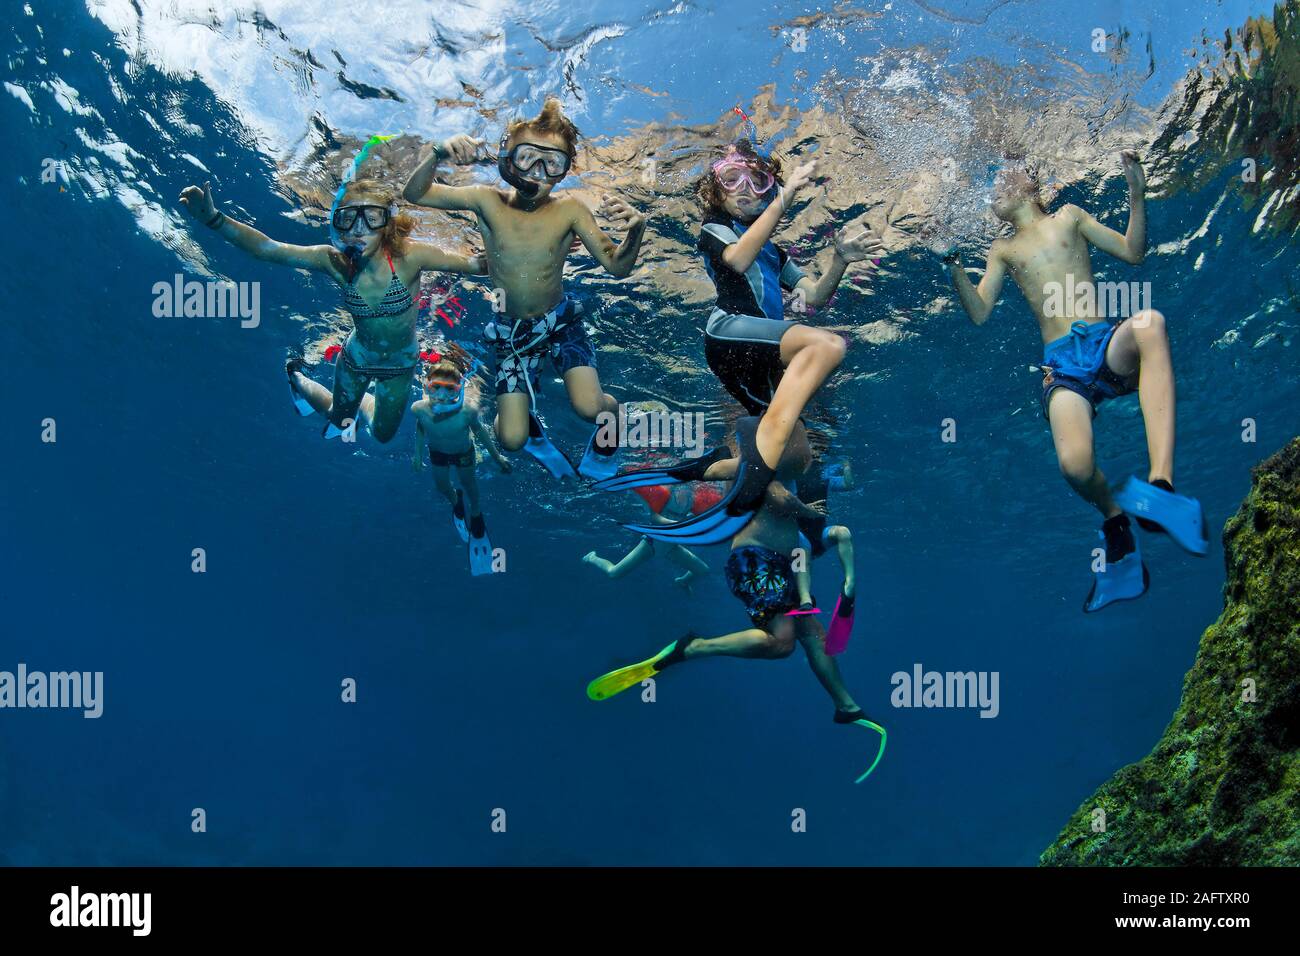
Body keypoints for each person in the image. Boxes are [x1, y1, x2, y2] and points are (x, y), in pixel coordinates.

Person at [946, 152, 1207, 612]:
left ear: (1033, 184)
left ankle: (1161, 486)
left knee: (1150, 323)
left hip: (1104, 343)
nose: (997, 183)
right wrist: (951, 262)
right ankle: (1116, 525)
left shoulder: (1070, 217)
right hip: (1061, 367)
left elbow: (1133, 252)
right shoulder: (1001, 250)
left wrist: (1137, 195)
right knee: (1074, 466)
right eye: (993, 184)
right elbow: (980, 312)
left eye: (1008, 173)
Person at [592, 138, 883, 545]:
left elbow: (814, 295)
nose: (746, 187)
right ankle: (752, 483)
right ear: (716, 192)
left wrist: (839, 259)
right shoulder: (716, 230)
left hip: (761, 359)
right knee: (828, 345)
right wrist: (784, 198)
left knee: (797, 460)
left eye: (759, 181)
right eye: (733, 179)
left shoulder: (775, 253)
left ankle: (698, 469)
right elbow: (738, 260)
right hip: (731, 335)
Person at [585, 420, 886, 783]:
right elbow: (780, 500)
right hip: (755, 562)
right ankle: (692, 648)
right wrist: (813, 515)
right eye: (802, 441)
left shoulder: (771, 468)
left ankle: (845, 706)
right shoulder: (756, 467)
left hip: (781, 564)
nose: (808, 452)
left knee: (811, 632)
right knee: (780, 643)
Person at [402, 98, 646, 481]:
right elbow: (415, 194)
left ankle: (609, 433)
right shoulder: (486, 200)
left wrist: (637, 230)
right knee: (511, 440)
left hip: (560, 321)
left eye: (552, 163)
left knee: (589, 408)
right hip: (513, 332)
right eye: (529, 156)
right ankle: (530, 431)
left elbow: (616, 267)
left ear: (564, 171)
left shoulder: (570, 210)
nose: (538, 171)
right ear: (506, 158)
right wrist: (438, 152)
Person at [180, 141, 487, 444]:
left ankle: (358, 404)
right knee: (339, 421)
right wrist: (213, 219)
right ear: (337, 225)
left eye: (372, 217)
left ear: (388, 224)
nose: (359, 228)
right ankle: (297, 377)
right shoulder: (333, 260)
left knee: (382, 435)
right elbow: (268, 250)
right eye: (348, 218)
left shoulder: (411, 257)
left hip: (400, 365)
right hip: (356, 358)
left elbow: (476, 264)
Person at [410, 343, 511, 576]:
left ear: (459, 390)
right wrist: (416, 455)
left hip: (464, 453)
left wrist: (497, 457)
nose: (442, 396)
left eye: (450, 389)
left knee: (469, 484)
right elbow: (420, 428)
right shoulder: (419, 408)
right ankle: (456, 502)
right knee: (441, 486)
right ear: (427, 386)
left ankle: (475, 511)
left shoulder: (468, 411)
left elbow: (481, 433)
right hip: (437, 453)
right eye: (436, 388)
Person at [581, 479, 720, 591]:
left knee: (703, 571)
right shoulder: (668, 491)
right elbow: (654, 518)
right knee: (614, 573)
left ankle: (682, 582)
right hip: (652, 543)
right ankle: (592, 557)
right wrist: (676, 524)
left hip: (671, 547)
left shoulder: (693, 497)